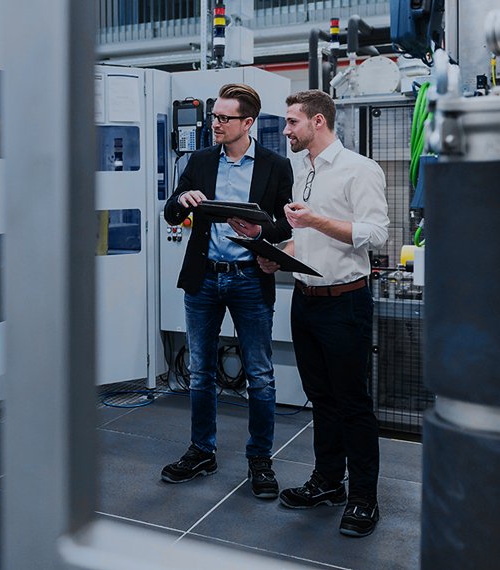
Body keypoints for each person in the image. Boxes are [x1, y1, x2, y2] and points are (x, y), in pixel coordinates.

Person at [257, 89, 389, 537]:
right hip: (306, 299)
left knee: (353, 403)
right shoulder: (300, 170)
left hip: (345, 301)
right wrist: (279, 253)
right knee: (322, 398)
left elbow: (375, 234)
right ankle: (328, 483)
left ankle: (364, 499)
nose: (286, 130)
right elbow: (305, 241)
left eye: (292, 122)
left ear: (318, 122)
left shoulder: (359, 169)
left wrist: (314, 221)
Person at [161, 83, 293, 500]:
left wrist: (260, 229)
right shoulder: (199, 161)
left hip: (250, 278)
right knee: (199, 372)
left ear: (247, 123)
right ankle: (202, 450)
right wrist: (183, 198)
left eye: (223, 118)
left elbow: (288, 224)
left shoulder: (274, 165)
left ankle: (260, 460)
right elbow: (170, 211)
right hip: (204, 278)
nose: (214, 123)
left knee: (260, 374)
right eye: (214, 117)